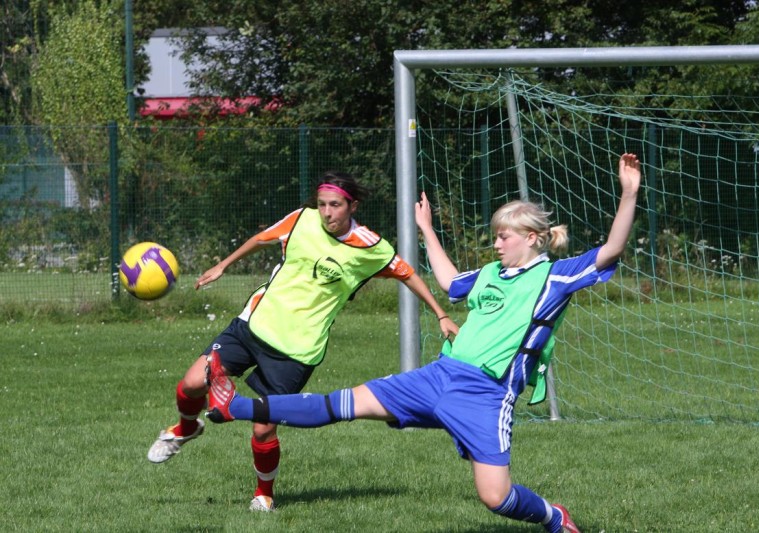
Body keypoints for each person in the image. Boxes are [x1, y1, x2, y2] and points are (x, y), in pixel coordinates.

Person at [204, 153, 642, 531]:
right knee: (342, 404)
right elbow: (450, 283)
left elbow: (610, 250)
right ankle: (232, 406)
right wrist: (426, 229)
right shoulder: (491, 274)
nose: (495, 244)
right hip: (438, 377)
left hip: (485, 395)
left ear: (530, 238)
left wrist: (628, 194)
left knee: (495, 497)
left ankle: (554, 517)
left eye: (502, 237)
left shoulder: (555, 277)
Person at [147, 171, 459, 512]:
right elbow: (261, 238)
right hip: (252, 325)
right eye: (322, 204)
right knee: (193, 382)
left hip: (296, 351)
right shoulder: (301, 219)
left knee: (263, 428)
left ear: (352, 206)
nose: (327, 212)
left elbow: (408, 274)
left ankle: (264, 494)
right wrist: (223, 265)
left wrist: (441, 314)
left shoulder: (371, 247)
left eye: (335, 205)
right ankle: (186, 428)